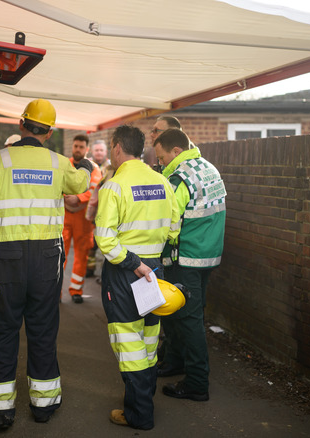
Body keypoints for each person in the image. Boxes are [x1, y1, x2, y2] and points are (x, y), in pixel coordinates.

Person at [0, 98, 90, 429]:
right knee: (43, 329)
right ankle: (43, 405)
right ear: (49, 132)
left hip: (6, 259)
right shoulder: (59, 162)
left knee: (2, 330)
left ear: (21, 125)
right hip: (47, 260)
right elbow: (80, 184)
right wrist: (88, 166)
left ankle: (1, 410)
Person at [94, 125, 180, 430]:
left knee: (128, 345)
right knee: (147, 340)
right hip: (155, 270)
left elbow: (105, 239)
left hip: (124, 273)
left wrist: (132, 260)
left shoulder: (114, 187)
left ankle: (138, 414)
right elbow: (173, 227)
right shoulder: (162, 182)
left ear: (117, 148)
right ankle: (143, 402)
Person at [152, 128, 226, 402]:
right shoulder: (208, 168)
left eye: (162, 158)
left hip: (186, 257)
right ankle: (174, 361)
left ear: (176, 151)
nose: (160, 164)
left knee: (189, 320)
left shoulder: (179, 178)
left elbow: (169, 223)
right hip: (208, 254)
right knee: (180, 315)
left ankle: (196, 382)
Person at [62, 134, 102, 303]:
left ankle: (76, 290)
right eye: (75, 146)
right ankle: (55, 291)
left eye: (81, 147)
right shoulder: (64, 164)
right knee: (59, 254)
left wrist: (77, 198)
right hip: (64, 215)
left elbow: (94, 189)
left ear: (87, 149)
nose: (77, 149)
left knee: (81, 254)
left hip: (83, 217)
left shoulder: (93, 168)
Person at [86, 140, 113, 277]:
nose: (99, 153)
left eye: (101, 150)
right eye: (96, 150)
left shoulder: (109, 167)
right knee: (90, 244)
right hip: (89, 210)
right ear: (92, 151)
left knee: (100, 243)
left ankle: (101, 272)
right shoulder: (87, 165)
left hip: (100, 211)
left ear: (105, 152)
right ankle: (89, 269)